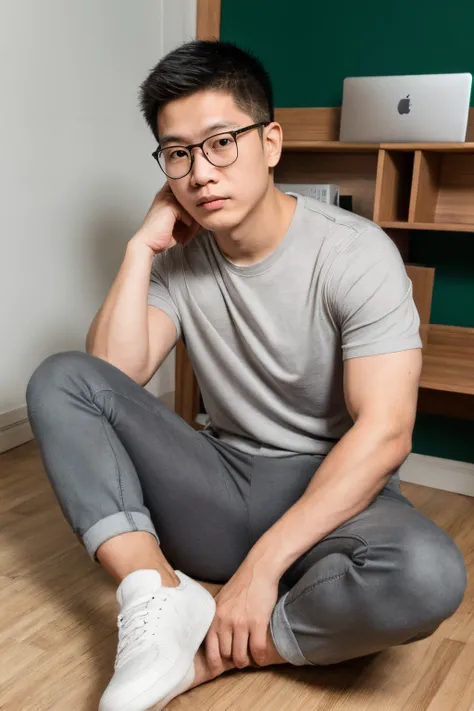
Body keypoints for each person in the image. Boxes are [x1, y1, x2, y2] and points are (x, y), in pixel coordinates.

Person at [26, 39, 466, 711]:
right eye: (178, 153)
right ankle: (157, 593)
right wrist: (142, 247)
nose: (200, 172)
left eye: (221, 142)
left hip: (328, 497)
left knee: (428, 575)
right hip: (219, 483)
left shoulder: (355, 254)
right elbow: (106, 377)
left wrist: (261, 569)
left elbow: (386, 433)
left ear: (271, 142)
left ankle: (208, 653)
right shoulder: (177, 263)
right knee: (60, 376)